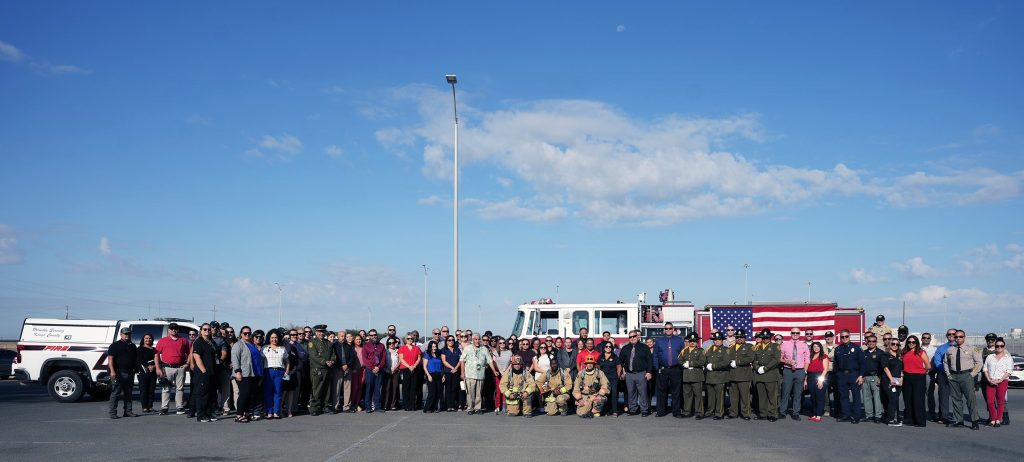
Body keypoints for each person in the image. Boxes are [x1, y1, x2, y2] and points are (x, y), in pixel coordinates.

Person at [944, 329, 981, 430]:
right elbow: (946, 362)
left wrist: (972, 374)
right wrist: (948, 374)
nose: (958, 338)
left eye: (960, 336)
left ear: (964, 337)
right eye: (956, 337)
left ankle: (974, 421)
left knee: (970, 399)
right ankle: (958, 420)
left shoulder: (973, 348)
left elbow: (979, 362)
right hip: (954, 377)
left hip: (966, 376)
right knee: (956, 399)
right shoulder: (950, 350)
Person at [154, 323, 191, 415]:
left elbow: (190, 353)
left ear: (178, 330)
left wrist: (187, 363)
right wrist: (158, 367)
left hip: (180, 367)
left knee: (180, 388)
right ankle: (164, 407)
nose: (174, 330)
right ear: (169, 330)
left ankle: (179, 407)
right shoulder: (163, 341)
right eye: (172, 328)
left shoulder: (184, 340)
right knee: (166, 388)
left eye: (176, 328)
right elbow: (156, 354)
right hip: (167, 367)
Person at [833, 329, 865, 423]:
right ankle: (845, 415)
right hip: (842, 375)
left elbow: (862, 363)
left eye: (846, 336)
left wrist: (861, 375)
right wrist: (838, 374)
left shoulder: (857, 348)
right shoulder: (838, 349)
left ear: (849, 336)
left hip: (854, 374)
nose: (844, 338)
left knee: (856, 396)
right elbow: (836, 364)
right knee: (843, 396)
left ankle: (856, 416)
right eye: (842, 337)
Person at [653, 322, 684, 418]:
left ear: (673, 329)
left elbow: (683, 354)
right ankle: (661, 411)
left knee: (676, 391)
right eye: (666, 328)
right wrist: (657, 367)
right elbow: (655, 355)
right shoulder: (659, 341)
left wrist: (681, 367)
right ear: (664, 330)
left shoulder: (679, 341)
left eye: (670, 328)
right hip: (663, 369)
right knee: (661, 391)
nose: (668, 330)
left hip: (676, 369)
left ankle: (676, 411)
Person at [106, 327, 137, 419]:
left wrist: (136, 369)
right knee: (116, 393)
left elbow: (135, 359)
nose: (127, 335)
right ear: (121, 334)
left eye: (129, 334)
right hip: (119, 372)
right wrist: (112, 371)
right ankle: (113, 413)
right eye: (125, 334)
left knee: (128, 393)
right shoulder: (115, 345)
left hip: (130, 373)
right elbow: (110, 359)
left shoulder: (132, 346)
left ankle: (128, 411)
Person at [779, 326, 810, 420]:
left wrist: (804, 371)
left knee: (798, 393)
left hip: (800, 371)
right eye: (793, 333)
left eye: (797, 333)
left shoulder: (804, 345)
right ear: (790, 334)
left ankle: (796, 412)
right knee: (785, 392)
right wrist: (787, 361)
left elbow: (807, 360)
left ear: (799, 334)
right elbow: (779, 358)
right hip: (788, 370)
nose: (795, 335)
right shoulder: (784, 345)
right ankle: (782, 412)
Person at [230, 326, 259, 423]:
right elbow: (235, 358)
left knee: (249, 394)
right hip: (243, 373)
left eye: (249, 333)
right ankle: (238, 415)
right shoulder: (238, 345)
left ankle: (246, 413)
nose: (247, 335)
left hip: (252, 373)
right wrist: (238, 371)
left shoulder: (251, 344)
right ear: (241, 334)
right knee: (244, 394)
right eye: (245, 333)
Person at [306, 325, 336, 416]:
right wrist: (325, 362)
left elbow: (333, 354)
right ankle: (314, 407)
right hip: (317, 369)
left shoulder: (328, 343)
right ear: (316, 332)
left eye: (323, 331)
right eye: (319, 331)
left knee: (327, 389)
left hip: (328, 369)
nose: (321, 333)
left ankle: (325, 406)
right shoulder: (312, 342)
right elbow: (313, 356)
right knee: (317, 389)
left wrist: (332, 361)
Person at [752, 329, 781, 422]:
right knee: (762, 396)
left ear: (770, 337)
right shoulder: (757, 347)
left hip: (770, 374)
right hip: (760, 375)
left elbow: (776, 360)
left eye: (767, 337)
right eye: (763, 337)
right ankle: (763, 413)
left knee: (772, 396)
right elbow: (754, 360)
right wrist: (757, 368)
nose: (765, 339)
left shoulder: (775, 346)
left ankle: (772, 414)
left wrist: (765, 368)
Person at [191, 323, 218, 422]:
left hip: (212, 372)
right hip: (203, 373)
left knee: (211, 394)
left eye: (209, 329)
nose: (207, 331)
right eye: (205, 329)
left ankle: (209, 413)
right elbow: (197, 357)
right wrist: (203, 370)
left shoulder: (211, 342)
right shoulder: (199, 342)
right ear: (201, 331)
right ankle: (201, 415)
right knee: (202, 394)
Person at [725, 328, 754, 420]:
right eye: (738, 337)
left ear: (745, 337)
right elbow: (726, 358)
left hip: (744, 376)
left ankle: (746, 413)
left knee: (745, 396)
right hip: (733, 375)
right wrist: (729, 362)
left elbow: (750, 358)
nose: (739, 338)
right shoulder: (731, 347)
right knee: (733, 396)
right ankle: (733, 413)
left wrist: (737, 362)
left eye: (741, 337)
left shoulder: (749, 347)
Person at [902, 335, 930, 427]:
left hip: (919, 377)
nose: (911, 344)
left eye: (913, 342)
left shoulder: (921, 352)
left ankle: (920, 421)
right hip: (907, 377)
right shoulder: (904, 352)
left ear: (917, 343)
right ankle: (910, 420)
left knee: (918, 399)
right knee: (908, 399)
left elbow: (928, 366)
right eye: (909, 342)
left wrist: (921, 372)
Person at [983, 338, 1012, 427]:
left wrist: (1000, 380)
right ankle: (993, 418)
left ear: (1004, 347)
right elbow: (985, 369)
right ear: (995, 347)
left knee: (1000, 401)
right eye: (997, 346)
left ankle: (998, 420)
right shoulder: (990, 357)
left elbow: (1009, 371)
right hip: (990, 381)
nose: (999, 347)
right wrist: (989, 379)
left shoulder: (1008, 358)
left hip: (1002, 382)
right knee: (990, 401)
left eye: (1001, 346)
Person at [459, 334, 491, 415]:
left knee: (478, 393)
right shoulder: (467, 348)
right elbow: (462, 361)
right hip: (470, 374)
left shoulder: (484, 349)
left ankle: (478, 408)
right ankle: (470, 408)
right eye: (475, 339)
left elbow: (490, 361)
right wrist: (462, 373)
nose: (477, 341)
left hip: (480, 375)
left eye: (478, 339)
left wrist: (494, 371)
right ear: (472, 340)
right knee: (470, 393)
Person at [931, 328, 957, 423]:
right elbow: (937, 361)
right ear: (946, 336)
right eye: (949, 334)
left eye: (953, 334)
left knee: (957, 396)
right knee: (943, 396)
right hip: (943, 374)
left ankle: (958, 417)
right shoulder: (941, 348)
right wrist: (945, 370)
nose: (951, 335)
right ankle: (944, 416)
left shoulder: (961, 347)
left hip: (958, 375)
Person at [262, 330, 290, 419]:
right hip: (268, 371)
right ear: (269, 339)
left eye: (276, 337)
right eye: (272, 338)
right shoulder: (265, 348)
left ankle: (276, 412)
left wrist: (287, 371)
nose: (274, 339)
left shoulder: (282, 348)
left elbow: (287, 361)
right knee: (268, 392)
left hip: (279, 372)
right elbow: (261, 361)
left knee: (277, 393)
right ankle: (269, 412)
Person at [678, 332, 706, 419]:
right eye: (690, 341)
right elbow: (679, 360)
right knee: (687, 395)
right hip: (686, 376)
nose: (692, 342)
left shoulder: (701, 351)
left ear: (697, 341)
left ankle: (699, 413)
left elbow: (703, 362)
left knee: (698, 395)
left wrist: (690, 363)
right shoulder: (684, 350)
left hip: (697, 376)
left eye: (694, 341)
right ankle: (687, 412)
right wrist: (683, 364)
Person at [704, 332, 730, 420]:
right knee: (711, 396)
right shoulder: (709, 349)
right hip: (710, 376)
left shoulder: (725, 350)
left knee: (719, 396)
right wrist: (706, 364)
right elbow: (705, 359)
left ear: (722, 341)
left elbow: (726, 362)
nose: (717, 341)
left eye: (719, 339)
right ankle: (710, 411)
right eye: (715, 340)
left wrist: (713, 366)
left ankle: (719, 413)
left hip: (720, 376)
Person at [860, 335, 884, 423]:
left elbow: (882, 367)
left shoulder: (880, 353)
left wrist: (880, 377)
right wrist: (861, 376)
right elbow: (861, 366)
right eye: (869, 341)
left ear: (876, 342)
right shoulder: (864, 353)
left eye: (873, 341)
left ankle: (878, 416)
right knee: (866, 397)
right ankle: (869, 415)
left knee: (877, 397)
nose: (871, 343)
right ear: (866, 342)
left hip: (876, 376)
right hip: (865, 377)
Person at [331, 331, 357, 413]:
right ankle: (335, 406)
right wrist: (340, 366)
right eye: (341, 336)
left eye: (344, 336)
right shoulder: (334, 346)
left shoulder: (349, 347)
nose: (343, 337)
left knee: (347, 388)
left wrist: (347, 365)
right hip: (337, 369)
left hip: (347, 369)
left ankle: (346, 407)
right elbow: (333, 357)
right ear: (337, 337)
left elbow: (353, 357)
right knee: (336, 388)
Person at [361, 329, 386, 413]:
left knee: (377, 388)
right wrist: (372, 368)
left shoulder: (381, 346)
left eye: (374, 334)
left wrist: (378, 367)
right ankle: (368, 407)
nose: (373, 336)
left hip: (379, 369)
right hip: (369, 370)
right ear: (369, 336)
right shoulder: (365, 346)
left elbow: (383, 358)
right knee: (369, 388)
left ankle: (378, 406)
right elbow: (365, 359)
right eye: (371, 335)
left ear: (377, 335)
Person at [806, 342, 830, 422]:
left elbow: (825, 370)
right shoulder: (810, 356)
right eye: (814, 346)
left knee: (819, 397)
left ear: (820, 348)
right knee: (813, 397)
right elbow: (807, 370)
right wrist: (805, 380)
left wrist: (821, 380)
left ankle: (819, 415)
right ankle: (814, 414)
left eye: (818, 346)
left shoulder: (824, 357)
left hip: (820, 377)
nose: (816, 348)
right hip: (810, 377)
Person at [882, 338, 904, 426]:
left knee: (895, 399)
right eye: (893, 344)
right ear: (889, 345)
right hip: (888, 380)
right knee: (892, 398)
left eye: (897, 344)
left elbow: (902, 369)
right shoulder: (885, 355)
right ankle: (891, 420)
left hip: (898, 381)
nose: (895, 346)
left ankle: (895, 418)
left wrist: (901, 378)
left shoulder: (899, 356)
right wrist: (891, 379)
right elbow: (885, 368)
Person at [398, 333, 423, 411]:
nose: (410, 340)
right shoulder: (402, 348)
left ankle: (412, 405)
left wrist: (414, 366)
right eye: (408, 338)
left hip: (415, 369)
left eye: (411, 338)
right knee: (406, 387)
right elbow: (401, 359)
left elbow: (419, 358)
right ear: (405, 340)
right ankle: (406, 404)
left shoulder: (417, 348)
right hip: (406, 369)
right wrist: (409, 366)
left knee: (413, 387)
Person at [596, 342, 621, 416]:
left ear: (612, 348)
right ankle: (606, 411)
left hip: (613, 377)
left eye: (610, 346)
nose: (608, 348)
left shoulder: (615, 356)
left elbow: (619, 366)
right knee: (605, 394)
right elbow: (598, 366)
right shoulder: (601, 356)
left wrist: (618, 376)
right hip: (603, 378)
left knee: (614, 394)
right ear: (604, 348)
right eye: (606, 346)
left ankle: (614, 411)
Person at [441, 335, 463, 412]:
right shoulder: (444, 350)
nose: (451, 341)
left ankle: (453, 406)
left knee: (454, 389)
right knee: (448, 389)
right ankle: (448, 406)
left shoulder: (457, 349)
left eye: (452, 340)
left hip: (456, 372)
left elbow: (461, 360)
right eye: (449, 340)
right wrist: (452, 368)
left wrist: (456, 368)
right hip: (448, 372)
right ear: (446, 341)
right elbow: (444, 361)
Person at [137, 333, 157, 413]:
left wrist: (154, 367)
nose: (148, 339)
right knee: (144, 390)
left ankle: (150, 406)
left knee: (151, 390)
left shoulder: (154, 349)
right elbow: (139, 360)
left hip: (153, 372)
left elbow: (157, 360)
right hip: (143, 372)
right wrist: (148, 366)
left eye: (150, 338)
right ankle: (144, 407)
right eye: (146, 338)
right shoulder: (140, 349)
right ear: (143, 339)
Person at [492, 338, 512, 415]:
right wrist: (500, 371)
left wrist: (506, 371)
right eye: (500, 343)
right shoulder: (495, 352)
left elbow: (511, 362)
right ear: (498, 344)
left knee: (505, 390)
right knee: (498, 390)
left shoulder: (509, 352)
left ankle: (504, 406)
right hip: (498, 373)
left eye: (503, 342)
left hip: (507, 373)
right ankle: (497, 406)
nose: (502, 344)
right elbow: (494, 363)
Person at [422, 341, 444, 413]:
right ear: (430, 347)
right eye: (432, 346)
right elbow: (425, 367)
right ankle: (427, 408)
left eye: (435, 346)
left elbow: (441, 366)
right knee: (432, 392)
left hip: (438, 374)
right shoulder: (427, 355)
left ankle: (434, 408)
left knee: (438, 392)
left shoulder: (438, 355)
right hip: (431, 374)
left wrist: (443, 375)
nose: (434, 348)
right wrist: (428, 375)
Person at [382, 337, 401, 411]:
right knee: (387, 388)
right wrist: (389, 369)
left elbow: (400, 361)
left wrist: (394, 368)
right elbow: (384, 361)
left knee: (395, 388)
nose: (391, 344)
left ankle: (393, 405)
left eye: (393, 343)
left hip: (395, 371)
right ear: (387, 344)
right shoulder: (385, 351)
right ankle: (385, 405)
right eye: (389, 343)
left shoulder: (398, 351)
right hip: (387, 371)